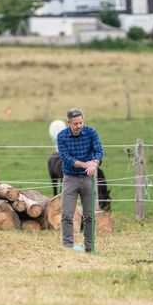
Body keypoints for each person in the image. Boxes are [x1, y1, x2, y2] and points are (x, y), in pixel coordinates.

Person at [56, 108, 104, 253]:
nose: (79, 126)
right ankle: (67, 247)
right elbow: (65, 158)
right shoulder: (62, 136)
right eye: (75, 123)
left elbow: (99, 151)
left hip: (88, 179)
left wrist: (94, 163)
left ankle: (90, 248)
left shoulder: (91, 133)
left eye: (80, 122)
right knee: (66, 214)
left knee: (89, 215)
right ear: (69, 123)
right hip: (70, 179)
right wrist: (85, 164)